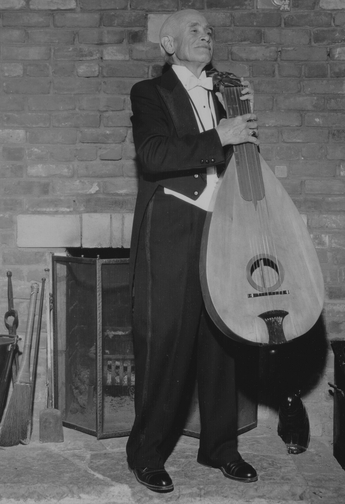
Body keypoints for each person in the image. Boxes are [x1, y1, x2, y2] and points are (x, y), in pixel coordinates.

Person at [126, 9, 260, 493]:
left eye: (210, 30)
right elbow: (154, 155)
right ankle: (147, 453)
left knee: (222, 339)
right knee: (167, 342)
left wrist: (238, 123)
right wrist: (219, 136)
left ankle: (220, 447)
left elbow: (242, 163)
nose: (206, 35)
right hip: (171, 227)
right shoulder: (151, 93)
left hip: (221, 228)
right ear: (168, 45)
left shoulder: (224, 95)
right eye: (193, 30)